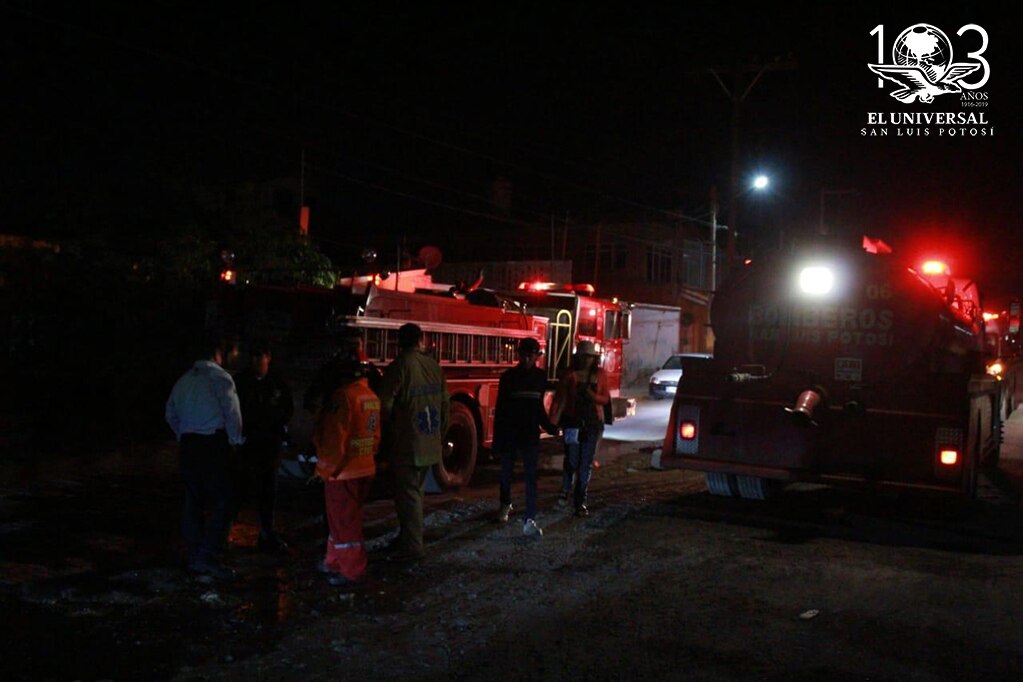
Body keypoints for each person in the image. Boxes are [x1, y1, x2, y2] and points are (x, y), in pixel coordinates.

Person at [165, 334, 244, 579]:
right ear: (217, 354)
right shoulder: (221, 378)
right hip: (213, 444)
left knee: (193, 499)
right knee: (223, 500)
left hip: (189, 445)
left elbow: (170, 413)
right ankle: (210, 554)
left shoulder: (184, 380)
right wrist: (235, 441)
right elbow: (232, 414)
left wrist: (184, 434)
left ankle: (195, 552)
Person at [378, 323, 449, 561]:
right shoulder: (434, 366)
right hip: (429, 442)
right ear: (420, 341)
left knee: (408, 496)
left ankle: (413, 547)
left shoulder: (399, 367)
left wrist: (386, 432)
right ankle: (407, 537)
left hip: (407, 443)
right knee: (414, 493)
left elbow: (384, 406)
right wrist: (439, 435)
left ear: (399, 342)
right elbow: (445, 406)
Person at [311, 349, 381, 585]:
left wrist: (324, 470)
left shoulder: (343, 397)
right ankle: (334, 561)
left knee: (344, 523)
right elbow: (376, 436)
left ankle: (352, 570)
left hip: (343, 472)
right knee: (342, 521)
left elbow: (334, 440)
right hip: (364, 468)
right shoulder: (369, 395)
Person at [493, 337, 558, 537]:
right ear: (519, 355)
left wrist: (549, 427)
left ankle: (530, 515)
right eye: (525, 354)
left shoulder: (539, 377)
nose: (528, 358)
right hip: (511, 431)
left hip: (530, 433)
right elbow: (501, 409)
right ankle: (505, 504)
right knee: (506, 473)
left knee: (531, 476)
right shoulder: (509, 377)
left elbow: (538, 407)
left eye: (531, 355)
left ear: (536, 356)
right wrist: (498, 439)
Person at [233, 342, 294, 554]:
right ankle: (223, 532)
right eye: (254, 357)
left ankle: (266, 532)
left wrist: (278, 429)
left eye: (261, 356)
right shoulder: (241, 381)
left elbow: (287, 409)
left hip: (270, 443)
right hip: (248, 443)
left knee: (268, 489)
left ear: (268, 357)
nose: (257, 362)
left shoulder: (277, 383)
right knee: (239, 488)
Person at [550, 340, 610, 518]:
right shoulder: (570, 375)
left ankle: (580, 499)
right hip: (572, 423)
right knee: (571, 460)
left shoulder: (599, 375)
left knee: (585, 463)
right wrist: (554, 422)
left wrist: (592, 396)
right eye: (584, 357)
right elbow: (560, 399)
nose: (586, 361)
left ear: (593, 359)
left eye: (589, 357)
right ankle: (566, 491)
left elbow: (605, 399)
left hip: (592, 425)